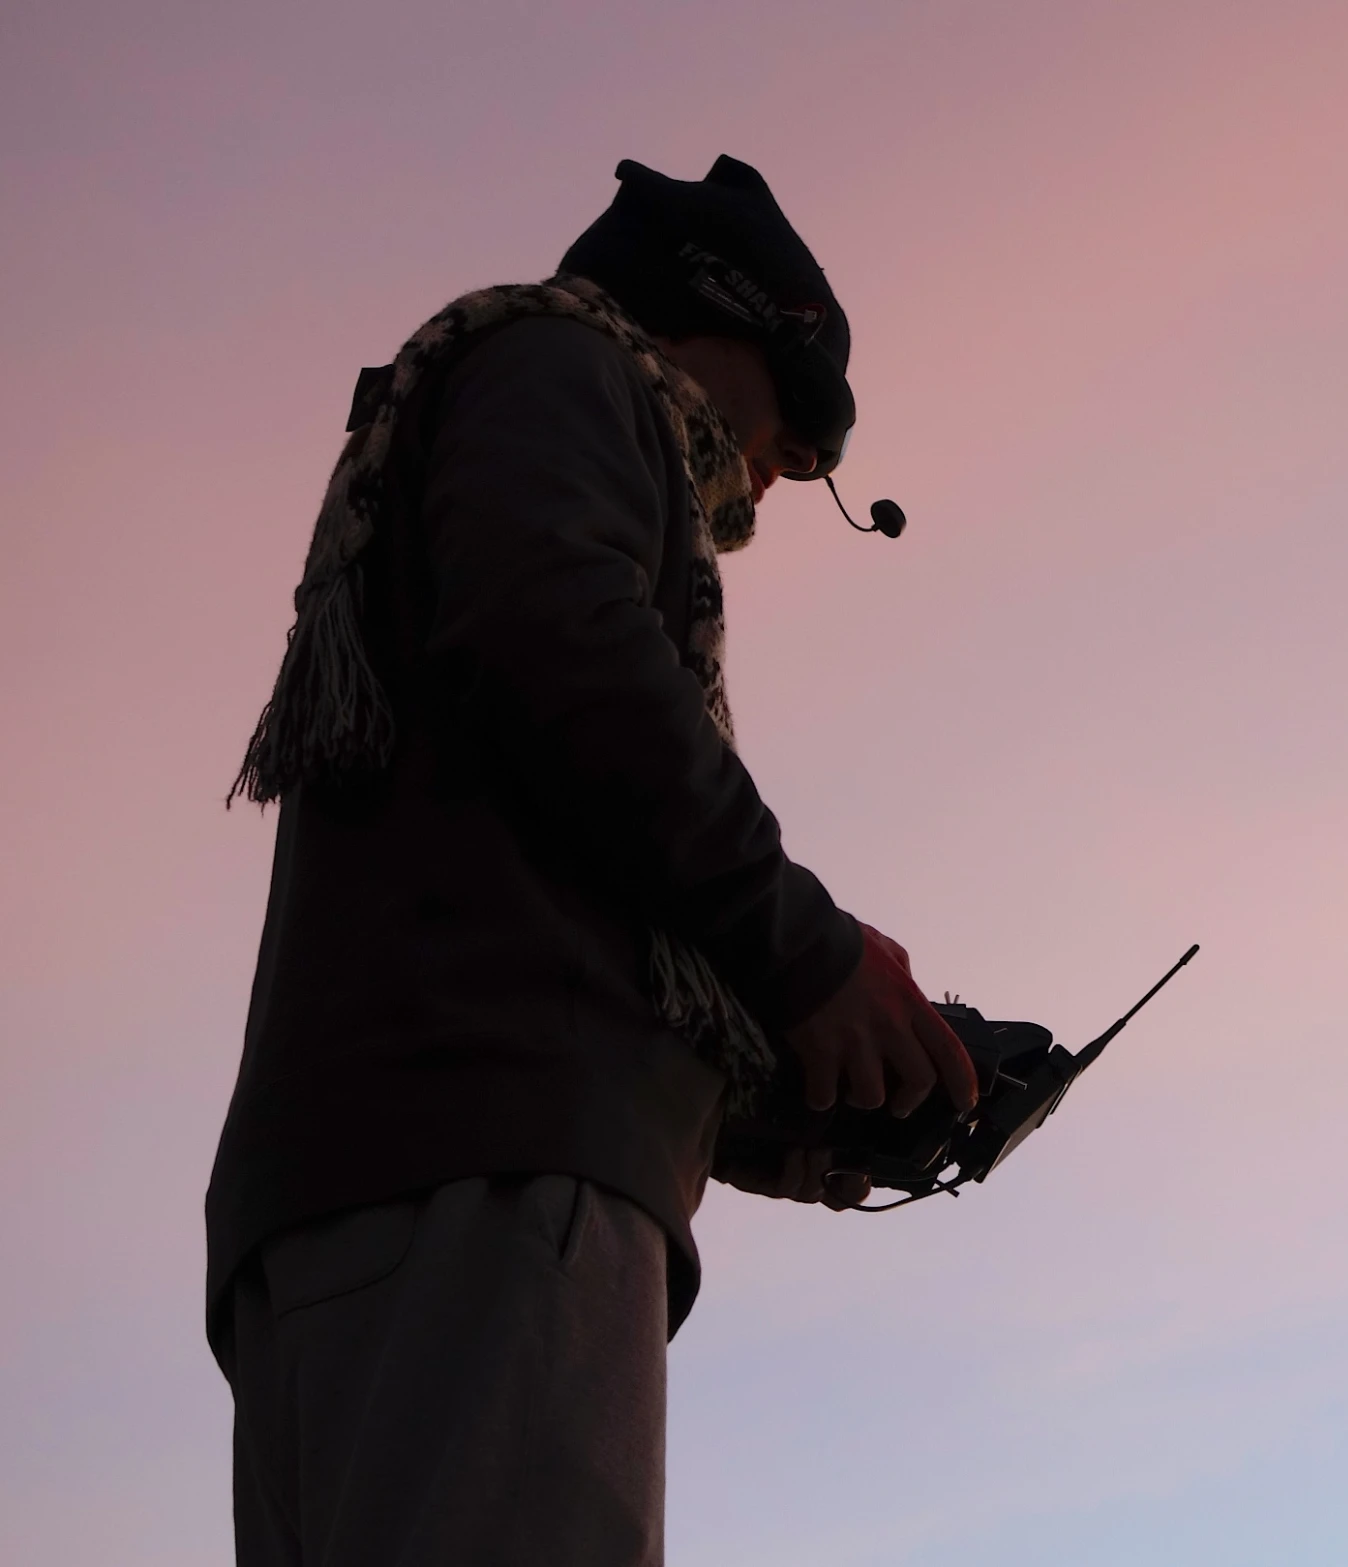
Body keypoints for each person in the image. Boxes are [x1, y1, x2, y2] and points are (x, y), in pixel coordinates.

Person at [205, 155, 975, 1567]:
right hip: (486, 1196)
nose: (770, 481)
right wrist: (808, 956)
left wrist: (787, 1105)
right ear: (728, 326)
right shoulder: (560, 364)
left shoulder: (472, 428)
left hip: (370, 1196)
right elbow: (561, 644)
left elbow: (535, 892)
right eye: (797, 436)